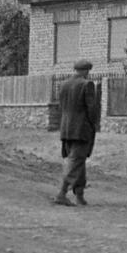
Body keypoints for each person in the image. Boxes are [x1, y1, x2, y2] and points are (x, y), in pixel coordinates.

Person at [54, 59, 100, 206]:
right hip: (81, 129)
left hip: (66, 129)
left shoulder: (64, 84)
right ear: (86, 71)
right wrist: (94, 124)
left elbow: (62, 106)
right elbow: (91, 109)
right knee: (75, 162)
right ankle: (62, 193)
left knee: (78, 161)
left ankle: (79, 195)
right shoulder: (87, 85)